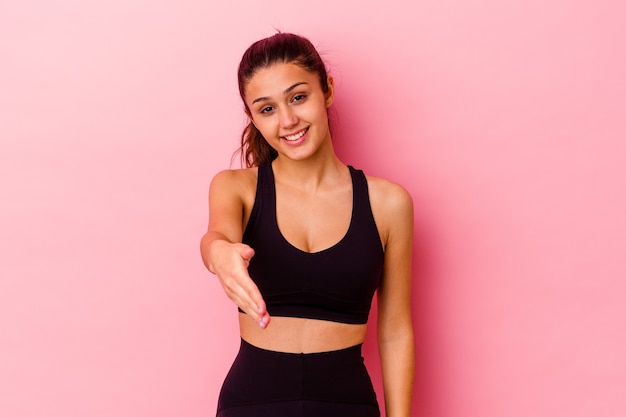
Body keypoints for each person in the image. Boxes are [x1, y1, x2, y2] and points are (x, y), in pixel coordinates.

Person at [200, 32, 414, 417]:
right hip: (252, 404)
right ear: (253, 118)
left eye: (298, 97)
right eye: (267, 109)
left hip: (347, 405)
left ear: (327, 90)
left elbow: (396, 331)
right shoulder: (237, 188)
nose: (288, 120)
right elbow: (217, 237)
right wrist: (219, 252)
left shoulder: (389, 204)